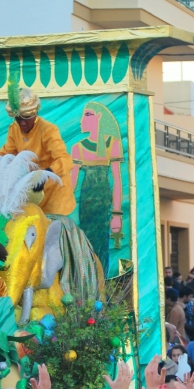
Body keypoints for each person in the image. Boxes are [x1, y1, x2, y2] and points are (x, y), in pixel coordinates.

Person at [0, 85, 76, 216]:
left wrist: (46, 175)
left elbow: (65, 160)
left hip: (55, 196)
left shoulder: (48, 130)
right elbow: (5, 155)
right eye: (18, 118)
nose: (22, 124)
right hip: (32, 195)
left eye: (26, 118)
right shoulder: (14, 129)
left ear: (35, 113)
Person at [70, 100, 124, 275]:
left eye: (87, 115)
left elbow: (117, 180)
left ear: (99, 117)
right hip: (86, 201)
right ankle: (86, 279)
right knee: (86, 241)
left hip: (104, 202)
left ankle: (101, 281)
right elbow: (72, 182)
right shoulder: (77, 147)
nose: (82, 120)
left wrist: (117, 214)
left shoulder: (112, 143)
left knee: (102, 243)